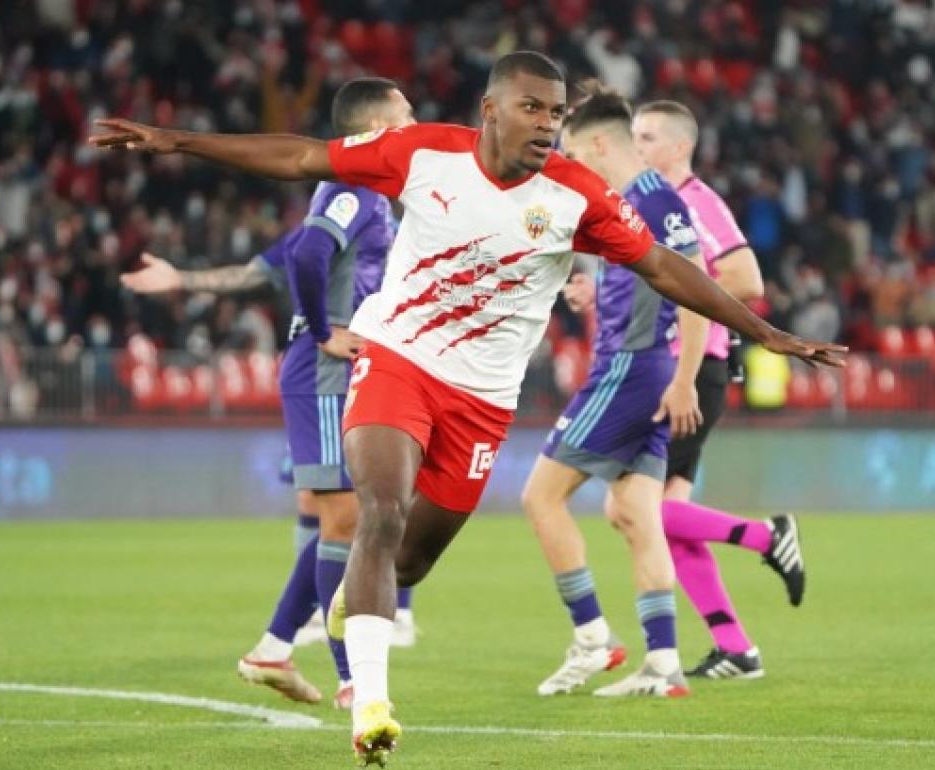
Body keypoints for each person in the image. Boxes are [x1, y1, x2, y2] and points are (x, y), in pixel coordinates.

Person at [88, 50, 845, 767]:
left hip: (481, 402)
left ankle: (340, 612)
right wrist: (176, 141)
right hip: (398, 360)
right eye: (531, 108)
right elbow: (300, 156)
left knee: (409, 555)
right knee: (378, 510)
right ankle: (372, 706)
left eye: (555, 112)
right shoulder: (422, 152)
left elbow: (662, 266)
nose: (548, 123)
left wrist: (765, 332)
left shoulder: (576, 193)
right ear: (490, 109)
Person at [118, 78, 420, 710]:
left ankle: (275, 649)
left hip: (332, 372)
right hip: (327, 373)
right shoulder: (352, 189)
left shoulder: (361, 197)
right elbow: (308, 255)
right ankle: (349, 678)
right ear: (376, 128)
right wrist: (323, 329)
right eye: (405, 114)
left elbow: (265, 267)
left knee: (348, 517)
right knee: (346, 518)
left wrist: (182, 278)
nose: (414, 121)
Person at [521, 86, 708, 699]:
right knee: (635, 514)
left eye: (575, 149)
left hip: (630, 370)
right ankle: (663, 664)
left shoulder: (655, 200)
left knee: (540, 498)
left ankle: (592, 638)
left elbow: (697, 287)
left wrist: (685, 379)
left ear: (600, 144)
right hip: (643, 366)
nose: (571, 161)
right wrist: (593, 290)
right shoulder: (630, 199)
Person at [633, 100, 806, 680]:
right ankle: (735, 646)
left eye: (648, 136)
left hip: (693, 366)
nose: (637, 145)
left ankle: (765, 535)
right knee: (667, 515)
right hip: (678, 364)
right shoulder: (648, 202)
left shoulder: (693, 203)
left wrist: (672, 274)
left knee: (643, 510)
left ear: (681, 148)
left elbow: (747, 279)